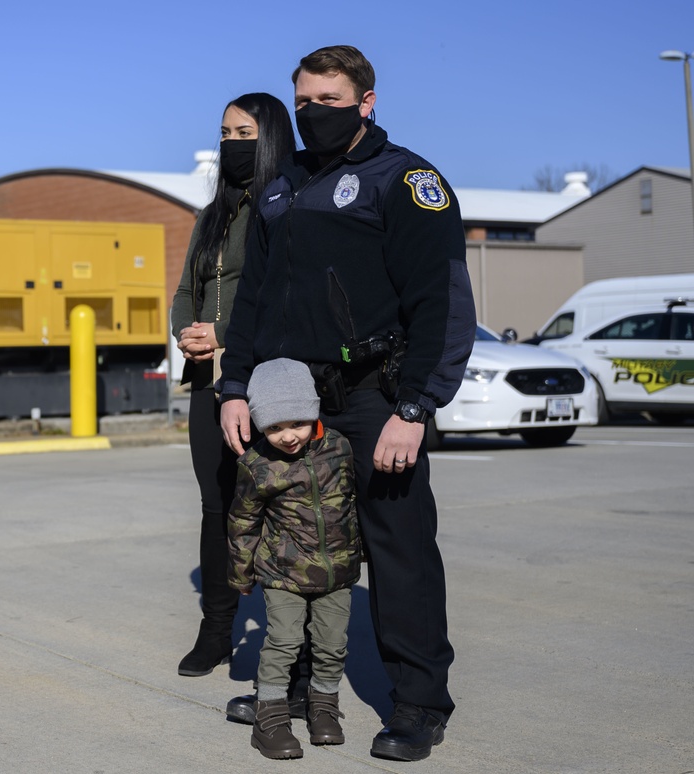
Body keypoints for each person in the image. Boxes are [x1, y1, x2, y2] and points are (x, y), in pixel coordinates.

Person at [218, 45, 476, 762]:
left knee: (399, 552)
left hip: (374, 396)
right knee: (300, 544)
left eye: (327, 102)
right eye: (301, 102)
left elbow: (441, 302)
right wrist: (235, 387)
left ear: (366, 102)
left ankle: (420, 703)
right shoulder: (282, 186)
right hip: (295, 400)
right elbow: (253, 304)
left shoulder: (407, 180)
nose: (311, 115)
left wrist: (415, 408)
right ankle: (304, 685)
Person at [171, 93, 295, 677]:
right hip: (207, 381)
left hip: (263, 377)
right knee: (216, 505)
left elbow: (279, 295)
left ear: (270, 136)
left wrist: (222, 333)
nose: (231, 144)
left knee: (275, 508)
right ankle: (217, 629)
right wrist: (186, 334)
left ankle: (288, 642)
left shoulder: (286, 203)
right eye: (224, 132)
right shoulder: (211, 213)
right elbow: (184, 292)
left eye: (244, 133)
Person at [228, 358, 363, 760]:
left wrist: (358, 553)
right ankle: (269, 716)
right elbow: (242, 522)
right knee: (284, 641)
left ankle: (323, 710)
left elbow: (352, 505)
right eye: (274, 427)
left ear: (313, 412)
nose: (287, 436)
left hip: (336, 572)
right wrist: (240, 574)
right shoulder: (257, 466)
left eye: (296, 424)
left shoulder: (339, 448)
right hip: (282, 573)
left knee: (332, 644)